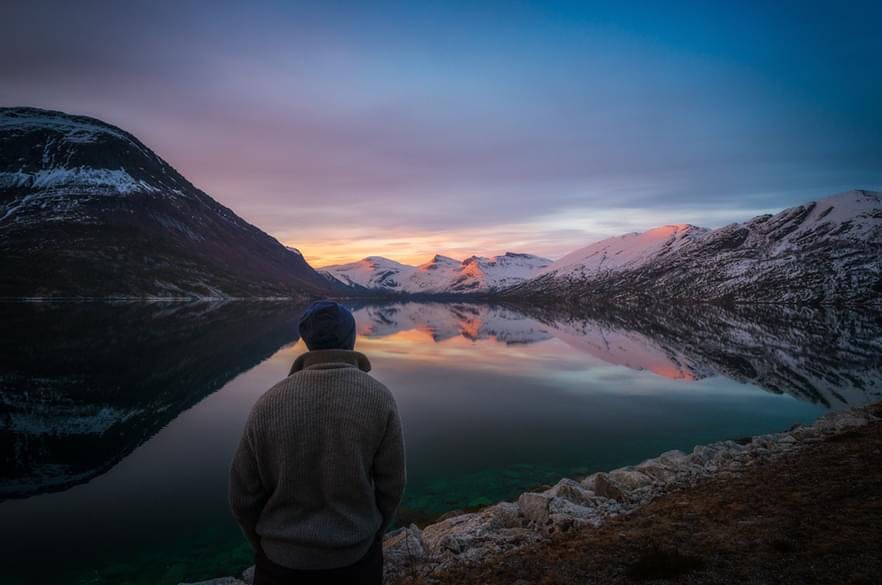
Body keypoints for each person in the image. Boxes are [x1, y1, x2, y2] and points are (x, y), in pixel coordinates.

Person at [229, 300, 406, 585]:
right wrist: (372, 532)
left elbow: (243, 496)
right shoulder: (378, 398)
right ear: (351, 338)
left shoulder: (268, 403)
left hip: (279, 566)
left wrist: (265, 545)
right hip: (355, 560)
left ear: (307, 340)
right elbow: (392, 485)